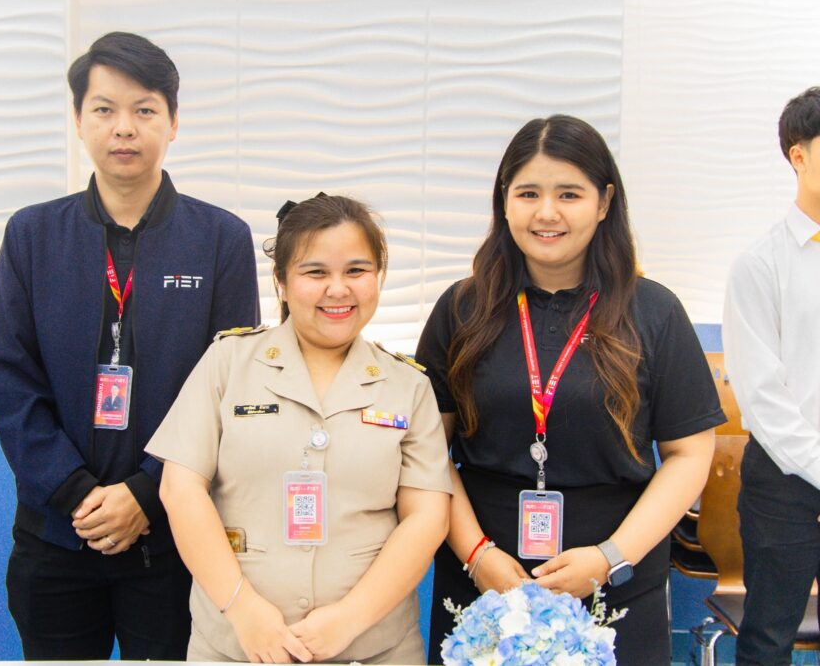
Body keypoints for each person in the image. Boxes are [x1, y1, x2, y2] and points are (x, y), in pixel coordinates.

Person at [0, 31, 259, 660]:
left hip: (173, 538)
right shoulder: (32, 235)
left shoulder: (220, 239)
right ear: (79, 120)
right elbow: (10, 379)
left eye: (144, 109)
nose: (124, 127)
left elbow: (229, 389)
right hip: (56, 534)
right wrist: (75, 492)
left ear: (174, 122)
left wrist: (146, 493)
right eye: (104, 109)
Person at [418, 115, 725, 665]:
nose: (547, 213)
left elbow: (689, 454)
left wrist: (610, 558)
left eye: (569, 194)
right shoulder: (461, 309)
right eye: (528, 193)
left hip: (616, 581)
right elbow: (425, 453)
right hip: (484, 580)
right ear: (504, 201)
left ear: (604, 202)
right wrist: (476, 554)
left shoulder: (654, 312)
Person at [146, 194, 452, 663]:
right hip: (237, 647)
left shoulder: (408, 385)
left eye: (357, 270)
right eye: (315, 272)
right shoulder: (228, 363)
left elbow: (427, 517)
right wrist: (242, 609)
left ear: (379, 276)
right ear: (282, 282)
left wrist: (349, 619)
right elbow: (180, 489)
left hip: (373, 649)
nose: (338, 289)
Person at [723, 86, 820, 666]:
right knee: (768, 638)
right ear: (798, 156)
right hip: (785, 482)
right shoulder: (760, 264)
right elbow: (761, 396)